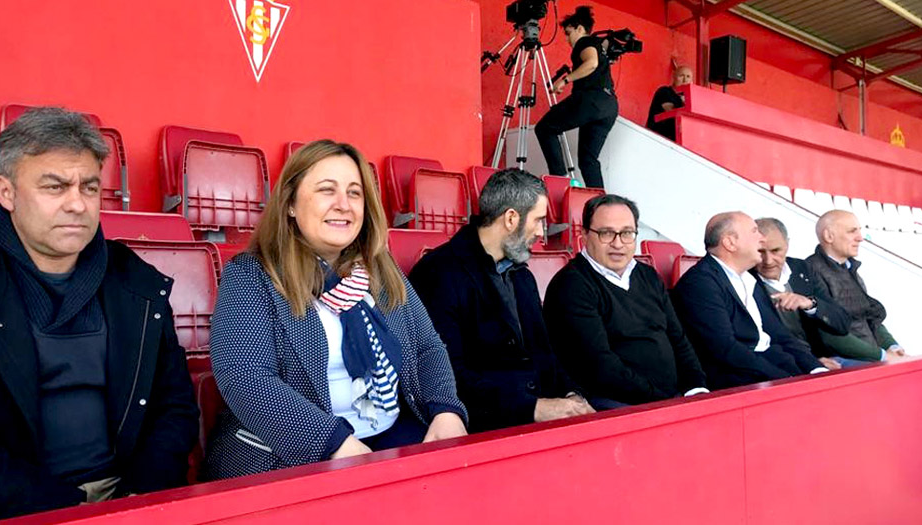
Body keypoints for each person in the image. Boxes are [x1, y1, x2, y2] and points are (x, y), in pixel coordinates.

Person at [0, 108, 199, 523]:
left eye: (89, 188)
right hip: (1, 509)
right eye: (55, 187)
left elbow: (174, 407)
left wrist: (134, 503)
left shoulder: (138, 284)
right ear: (7, 192)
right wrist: (70, 511)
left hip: (126, 497)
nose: (77, 204)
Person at [202, 140, 467, 480]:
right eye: (327, 190)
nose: (344, 205)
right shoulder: (253, 275)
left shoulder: (381, 270)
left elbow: (427, 346)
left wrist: (445, 410)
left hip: (388, 434)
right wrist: (333, 443)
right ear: (291, 205)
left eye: (355, 193)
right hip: (291, 453)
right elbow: (245, 378)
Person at [409, 169, 596, 433]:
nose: (542, 233)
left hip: (536, 422)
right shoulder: (438, 273)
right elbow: (448, 374)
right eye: (539, 220)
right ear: (511, 218)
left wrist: (570, 395)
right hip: (486, 428)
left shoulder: (522, 276)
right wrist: (533, 408)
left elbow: (545, 353)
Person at [543, 194, 708, 405]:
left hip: (668, 398)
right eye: (606, 233)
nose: (618, 243)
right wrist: (662, 401)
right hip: (616, 402)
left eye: (627, 233)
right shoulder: (571, 285)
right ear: (584, 235)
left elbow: (678, 339)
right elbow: (601, 367)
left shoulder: (648, 275)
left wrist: (696, 388)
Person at [672, 212, 828, 389]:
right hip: (739, 380)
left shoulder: (749, 279)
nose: (761, 238)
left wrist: (815, 369)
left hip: (772, 367)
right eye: (754, 231)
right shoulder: (700, 284)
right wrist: (787, 379)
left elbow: (780, 335)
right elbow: (725, 349)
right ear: (730, 243)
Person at [805, 210, 905, 363]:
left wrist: (892, 346)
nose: (860, 238)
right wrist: (881, 356)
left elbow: (870, 318)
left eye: (859, 231)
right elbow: (830, 334)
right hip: (844, 362)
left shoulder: (851, 270)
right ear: (829, 236)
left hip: (869, 357)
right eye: (852, 231)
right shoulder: (811, 271)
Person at [535, 5, 618, 188]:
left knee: (545, 128)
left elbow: (592, 63)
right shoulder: (598, 45)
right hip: (609, 106)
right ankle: (600, 205)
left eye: (568, 33)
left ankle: (560, 180)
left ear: (580, 28)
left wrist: (565, 81)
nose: (567, 39)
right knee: (588, 161)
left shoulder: (585, 42)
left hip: (592, 99)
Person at [753, 218, 850, 370]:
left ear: (788, 244)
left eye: (776, 251)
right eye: (760, 252)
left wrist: (810, 304)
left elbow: (842, 323)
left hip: (826, 359)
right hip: (787, 367)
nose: (768, 260)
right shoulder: (744, 278)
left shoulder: (802, 268)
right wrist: (811, 363)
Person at [645, 65, 692, 141]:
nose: (685, 80)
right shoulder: (664, 91)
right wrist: (685, 102)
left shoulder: (687, 98)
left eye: (688, 77)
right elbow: (671, 112)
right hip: (657, 139)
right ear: (674, 77)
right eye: (681, 76)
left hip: (675, 143)